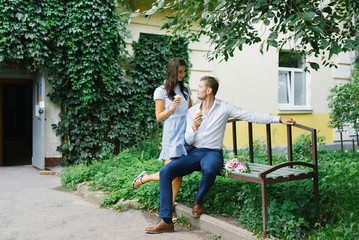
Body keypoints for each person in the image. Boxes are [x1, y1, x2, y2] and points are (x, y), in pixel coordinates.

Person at [145, 76, 296, 233]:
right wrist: (194, 129)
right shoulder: (192, 112)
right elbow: (188, 140)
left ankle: (198, 200)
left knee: (210, 169)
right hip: (195, 152)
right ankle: (166, 221)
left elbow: (250, 115)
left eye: (200, 86)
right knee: (166, 171)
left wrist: (279, 119)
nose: (197, 89)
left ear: (209, 90)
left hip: (212, 152)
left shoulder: (224, 108)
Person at [132, 58, 192, 221]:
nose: (182, 74)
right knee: (170, 173)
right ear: (172, 71)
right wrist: (172, 107)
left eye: (184, 71)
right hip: (172, 132)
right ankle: (143, 179)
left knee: (178, 175)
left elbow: (191, 110)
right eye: (180, 72)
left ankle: (168, 210)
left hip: (185, 132)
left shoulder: (186, 88)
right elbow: (159, 117)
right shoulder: (161, 91)